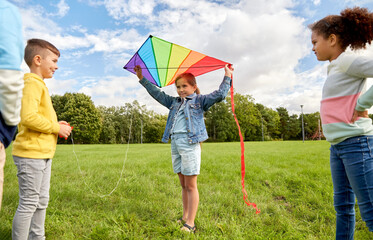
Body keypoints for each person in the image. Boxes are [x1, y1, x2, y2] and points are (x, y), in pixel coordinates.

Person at [134, 64, 233, 233]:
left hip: (189, 144)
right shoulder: (174, 102)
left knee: (191, 185)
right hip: (175, 144)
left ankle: (191, 223)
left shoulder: (200, 101)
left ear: (194, 87)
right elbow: (157, 94)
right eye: (178, 87)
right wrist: (142, 78)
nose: (181, 90)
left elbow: (220, 94)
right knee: (183, 184)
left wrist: (228, 76)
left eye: (184, 86)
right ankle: (185, 216)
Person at [309, 6, 373, 239]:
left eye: (315, 42)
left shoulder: (347, 61)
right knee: (343, 208)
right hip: (338, 147)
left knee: (370, 210)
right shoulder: (335, 67)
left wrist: (362, 103)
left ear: (333, 39)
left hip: (357, 144)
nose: (312, 47)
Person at [12, 39, 72, 240]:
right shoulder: (31, 83)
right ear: (38, 60)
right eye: (54, 61)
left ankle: (37, 237)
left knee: (41, 200)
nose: (57, 66)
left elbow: (38, 116)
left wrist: (57, 123)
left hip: (43, 154)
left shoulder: (39, 85)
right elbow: (28, 117)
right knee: (29, 202)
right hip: (31, 155)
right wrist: (56, 128)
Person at [0, 0, 24, 211]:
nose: (57, 66)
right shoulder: (5, 11)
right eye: (54, 61)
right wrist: (11, 124)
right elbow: (8, 74)